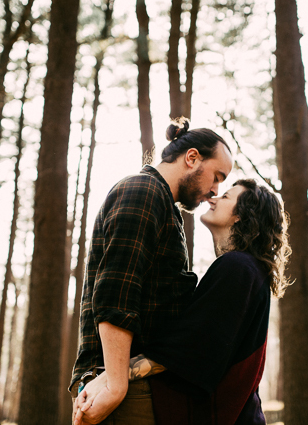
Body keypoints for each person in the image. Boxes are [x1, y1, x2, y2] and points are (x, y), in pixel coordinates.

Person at [75, 178, 290, 425]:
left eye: (226, 197)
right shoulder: (246, 269)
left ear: (241, 216)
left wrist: (110, 378)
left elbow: (188, 349)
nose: (213, 197)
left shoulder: (239, 267)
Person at [70, 118, 234, 424]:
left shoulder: (162, 204)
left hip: (132, 383)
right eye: (217, 176)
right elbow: (115, 294)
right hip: (119, 385)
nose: (215, 191)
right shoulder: (143, 191)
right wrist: (116, 385)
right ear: (192, 158)